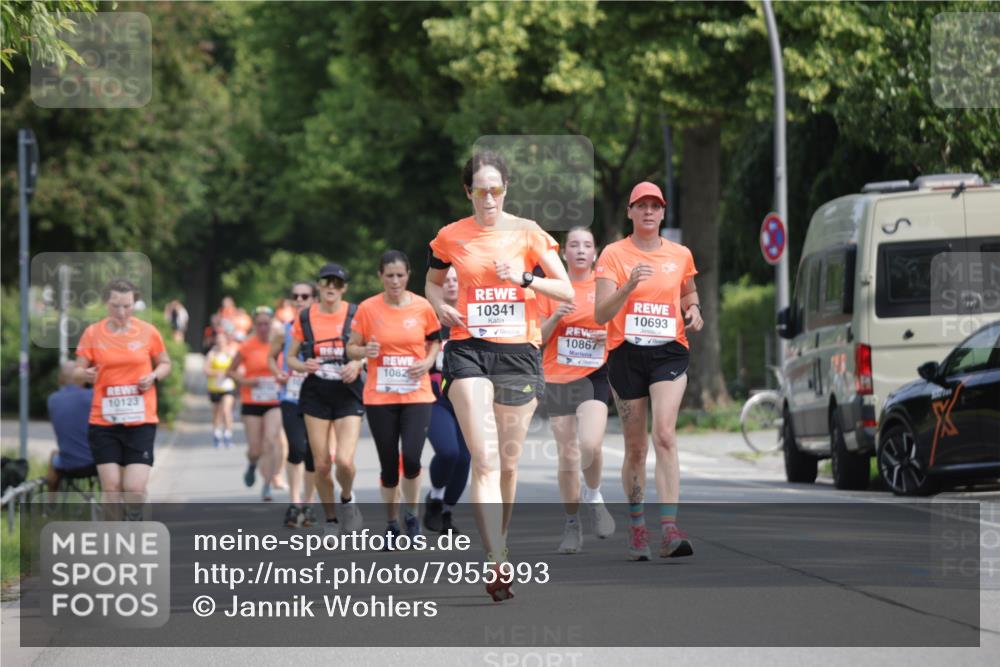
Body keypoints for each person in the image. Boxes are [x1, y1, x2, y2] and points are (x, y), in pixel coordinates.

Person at [426, 151, 573, 601]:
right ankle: (495, 561)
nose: (488, 198)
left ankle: (499, 542)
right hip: (469, 349)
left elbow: (566, 290)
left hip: (518, 354)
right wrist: (439, 305)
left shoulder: (528, 232)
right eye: (480, 190)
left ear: (505, 190)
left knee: (508, 465)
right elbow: (432, 282)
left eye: (496, 189)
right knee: (485, 460)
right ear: (468, 192)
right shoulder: (451, 236)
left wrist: (526, 279)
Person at [594, 181, 704, 561]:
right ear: (630, 212)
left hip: (669, 353)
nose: (648, 212)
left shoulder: (680, 254)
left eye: (654, 206)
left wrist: (694, 311)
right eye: (640, 205)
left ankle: (670, 529)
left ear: (662, 212)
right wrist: (627, 287)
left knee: (665, 435)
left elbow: (688, 292)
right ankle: (638, 525)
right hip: (626, 354)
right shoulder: (612, 254)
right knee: (636, 447)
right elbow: (601, 313)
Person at [347, 250, 441, 544]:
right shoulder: (367, 309)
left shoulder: (423, 307)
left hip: (416, 394)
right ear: (381, 277)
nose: (395, 281)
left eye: (400, 275)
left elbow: (434, 342)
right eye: (390, 276)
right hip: (380, 397)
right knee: (388, 465)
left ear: (408, 275)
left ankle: (411, 516)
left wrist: (427, 362)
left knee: (411, 459)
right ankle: (391, 523)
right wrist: (365, 352)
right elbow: (351, 347)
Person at [537, 226, 616, 554]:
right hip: (558, 376)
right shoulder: (552, 289)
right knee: (568, 456)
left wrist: (606, 337)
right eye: (574, 245)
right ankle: (572, 524)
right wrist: (556, 315)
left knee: (590, 444)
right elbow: (536, 338)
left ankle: (594, 494)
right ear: (564, 253)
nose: (581, 250)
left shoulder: (605, 286)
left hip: (595, 375)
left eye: (587, 245)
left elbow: (621, 329)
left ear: (595, 252)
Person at [72, 279, 171, 507]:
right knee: (112, 488)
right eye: (115, 305)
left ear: (135, 304)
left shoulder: (148, 332)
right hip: (104, 422)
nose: (121, 311)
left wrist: (154, 376)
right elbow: (76, 371)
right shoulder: (93, 333)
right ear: (106, 303)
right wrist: (85, 374)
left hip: (141, 421)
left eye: (127, 306)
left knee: (134, 489)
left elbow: (165, 363)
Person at [286, 263, 365, 537]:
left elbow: (369, 348)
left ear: (344, 288)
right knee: (321, 464)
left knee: (344, 460)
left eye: (337, 283)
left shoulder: (356, 314)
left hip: (348, 389)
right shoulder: (306, 317)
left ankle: (347, 499)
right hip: (316, 390)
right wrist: (301, 365)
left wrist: (359, 363)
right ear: (318, 286)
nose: (331, 288)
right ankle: (330, 519)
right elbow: (290, 357)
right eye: (325, 283)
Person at [423, 266, 470, 535]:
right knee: (449, 451)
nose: (452, 284)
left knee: (465, 459)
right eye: (447, 280)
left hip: (466, 398)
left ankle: (447, 512)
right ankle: (436, 497)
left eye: (457, 279)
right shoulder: (427, 318)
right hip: (436, 398)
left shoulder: (473, 315)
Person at [269, 282, 319, 528]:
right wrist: (277, 371)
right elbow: (271, 356)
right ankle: (294, 503)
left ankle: (308, 504)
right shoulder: (284, 330)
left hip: (318, 397)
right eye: (295, 296)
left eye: (305, 296)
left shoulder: (321, 329)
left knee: (313, 454)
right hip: (290, 396)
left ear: (314, 299)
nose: (299, 300)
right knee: (296, 449)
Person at [227, 307, 282, 501]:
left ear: (272, 324)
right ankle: (252, 464)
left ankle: (267, 484)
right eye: (259, 324)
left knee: (270, 440)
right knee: (255, 449)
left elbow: (289, 365)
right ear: (254, 325)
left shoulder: (280, 344)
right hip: (252, 400)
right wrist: (245, 381)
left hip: (274, 400)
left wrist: (284, 378)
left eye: (267, 323)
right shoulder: (247, 346)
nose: (263, 328)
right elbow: (230, 371)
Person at [46, 362, 96, 492]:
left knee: (54, 454)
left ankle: (50, 506)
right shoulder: (93, 396)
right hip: (95, 463)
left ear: (60, 379)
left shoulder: (52, 400)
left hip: (67, 465)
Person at [204, 330, 237, 448]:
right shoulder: (212, 354)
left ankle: (228, 434)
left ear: (226, 341)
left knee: (226, 410)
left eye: (222, 340)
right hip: (214, 387)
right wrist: (216, 373)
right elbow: (206, 370)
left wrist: (230, 373)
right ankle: (217, 434)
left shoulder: (231, 353)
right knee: (216, 412)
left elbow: (237, 369)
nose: (220, 342)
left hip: (228, 386)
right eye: (218, 340)